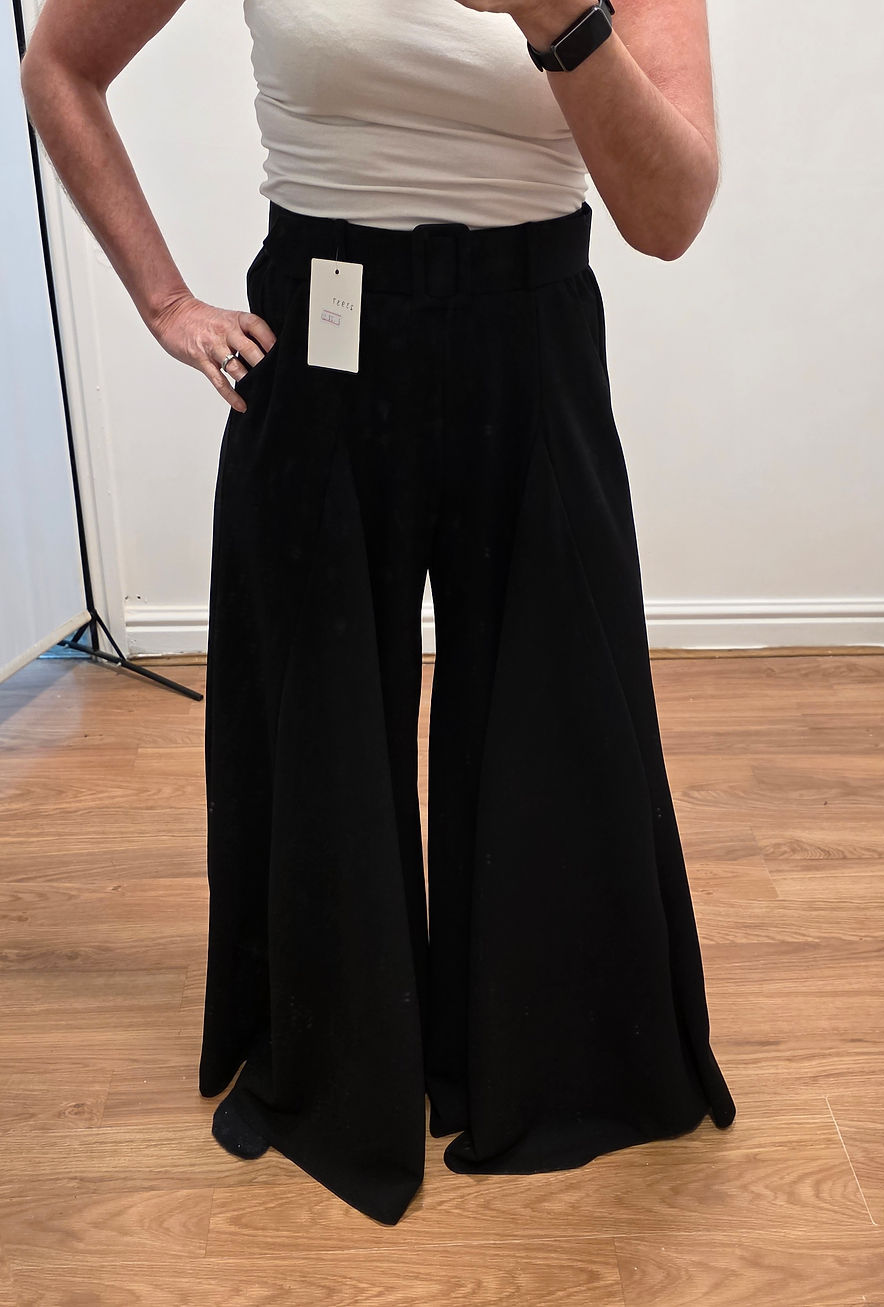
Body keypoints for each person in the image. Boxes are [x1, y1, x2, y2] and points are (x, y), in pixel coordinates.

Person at [21, 0, 736, 1227]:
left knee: (556, 711)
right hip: (321, 332)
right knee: (323, 728)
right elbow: (58, 68)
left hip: (534, 338)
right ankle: (338, 1058)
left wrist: (556, 18)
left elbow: (666, 218)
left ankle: (555, 1058)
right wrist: (164, 300)